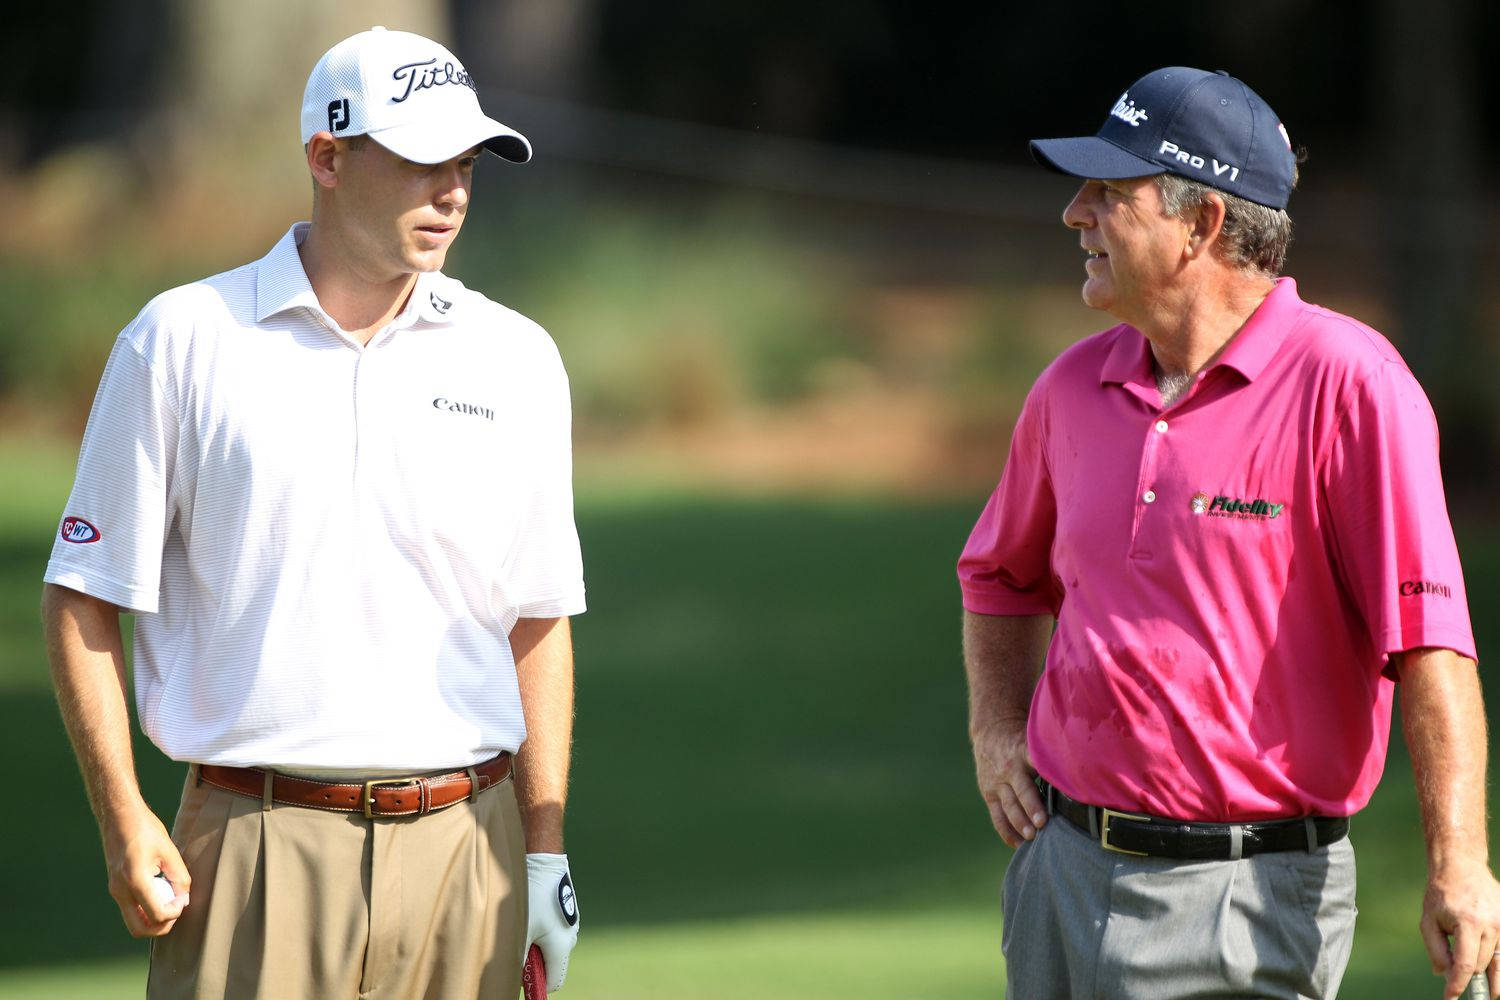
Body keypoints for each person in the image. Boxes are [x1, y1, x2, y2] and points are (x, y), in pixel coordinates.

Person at [41, 26, 583, 999]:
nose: (452, 190)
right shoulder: (182, 341)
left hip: (475, 851)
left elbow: (538, 615)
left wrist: (543, 852)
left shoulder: (517, 357)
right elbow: (83, 595)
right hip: (255, 850)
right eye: (423, 160)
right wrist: (122, 811)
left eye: (465, 162)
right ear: (328, 157)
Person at [958, 66, 1500, 1000]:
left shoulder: (1351, 386)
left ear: (1202, 224)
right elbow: (999, 578)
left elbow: (1430, 647)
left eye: (1108, 193)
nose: (1073, 214)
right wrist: (996, 728)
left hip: (1247, 900)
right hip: (1060, 880)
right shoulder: (1066, 390)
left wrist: (1460, 863)